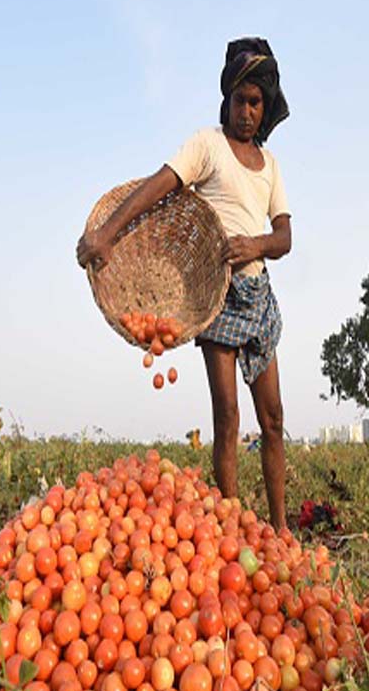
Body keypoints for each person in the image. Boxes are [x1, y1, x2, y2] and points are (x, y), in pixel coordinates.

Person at [77, 37, 292, 530]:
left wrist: (254, 246)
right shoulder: (206, 144)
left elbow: (284, 237)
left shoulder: (270, 166)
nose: (246, 112)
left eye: (255, 103)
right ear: (227, 100)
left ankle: (280, 527)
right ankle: (234, 524)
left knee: (274, 418)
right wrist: (106, 234)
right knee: (228, 417)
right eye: (239, 100)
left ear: (266, 107)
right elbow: (160, 184)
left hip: (257, 295)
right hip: (215, 300)